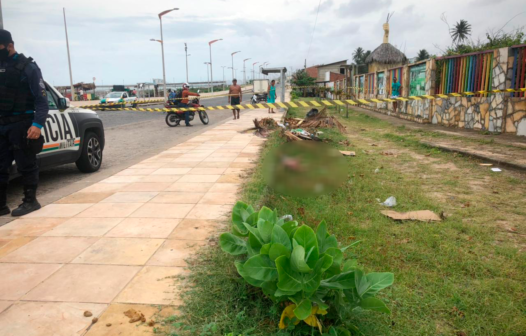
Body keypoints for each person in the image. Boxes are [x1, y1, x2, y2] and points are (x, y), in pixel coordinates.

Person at [0, 29, 49, 216]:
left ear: (10, 45)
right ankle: (1, 205)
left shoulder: (28, 67)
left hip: (22, 124)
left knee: (26, 164)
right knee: (0, 165)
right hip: (1, 125)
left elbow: (41, 100)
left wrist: (37, 125)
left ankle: (31, 201)